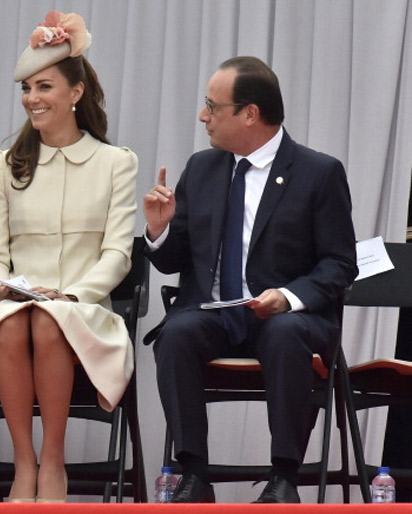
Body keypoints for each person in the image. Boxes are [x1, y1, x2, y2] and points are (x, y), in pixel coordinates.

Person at [143, 56, 357, 504]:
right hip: (214, 316)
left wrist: (288, 296)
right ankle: (193, 475)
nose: (203, 115)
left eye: (211, 105)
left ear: (250, 114)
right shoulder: (202, 168)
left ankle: (284, 478)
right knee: (177, 333)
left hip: (286, 321)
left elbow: (339, 264)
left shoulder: (318, 173)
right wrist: (159, 231)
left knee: (284, 333)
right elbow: (172, 260)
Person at [0, 11, 137, 503]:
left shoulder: (116, 163)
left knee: (50, 321)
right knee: (12, 321)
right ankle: (23, 463)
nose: (31, 98)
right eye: (26, 88)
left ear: (75, 93)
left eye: (44, 86)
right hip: (17, 307)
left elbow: (118, 255)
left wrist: (71, 294)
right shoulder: (3, 166)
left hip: (85, 312)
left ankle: (53, 461)